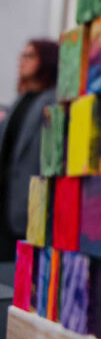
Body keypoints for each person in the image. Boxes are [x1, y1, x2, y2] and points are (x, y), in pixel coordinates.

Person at [0, 39, 58, 261]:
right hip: (6, 206)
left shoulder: (53, 101)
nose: (21, 61)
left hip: (30, 209)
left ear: (47, 61)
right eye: (21, 55)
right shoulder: (18, 102)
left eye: (30, 56)